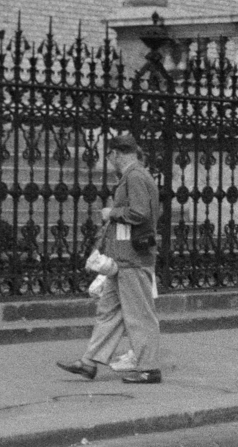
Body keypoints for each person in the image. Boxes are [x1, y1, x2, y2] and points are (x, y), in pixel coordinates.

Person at [57, 132, 162, 384]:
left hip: (133, 259)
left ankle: (148, 368)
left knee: (139, 315)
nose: (110, 160)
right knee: (108, 312)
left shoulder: (135, 176)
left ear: (116, 154)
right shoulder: (134, 175)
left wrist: (111, 213)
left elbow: (140, 213)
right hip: (123, 260)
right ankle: (89, 362)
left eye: (110, 155)